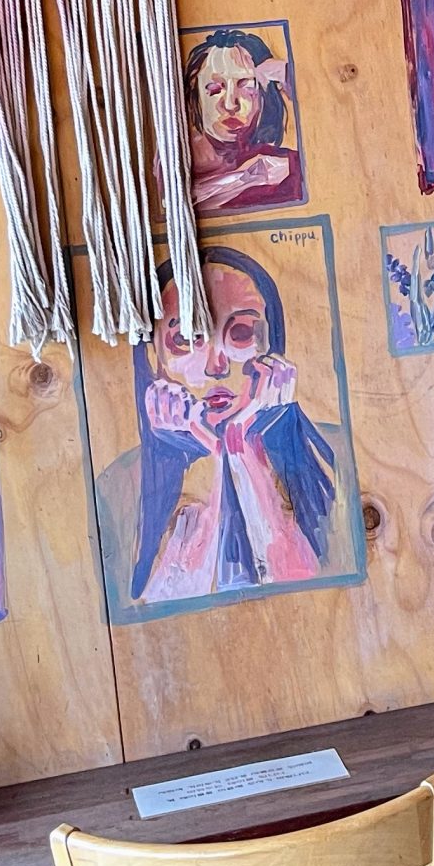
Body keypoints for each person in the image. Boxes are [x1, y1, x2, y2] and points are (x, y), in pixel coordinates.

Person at [96, 247, 351, 608]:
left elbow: (321, 592)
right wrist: (215, 458)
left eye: (242, 333)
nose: (216, 366)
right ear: (155, 360)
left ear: (272, 349)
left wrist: (241, 453)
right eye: (185, 340)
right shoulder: (118, 486)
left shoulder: (337, 456)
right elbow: (156, 612)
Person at [183, 29, 304, 213]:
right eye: (215, 89)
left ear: (264, 95)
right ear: (194, 93)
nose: (230, 104)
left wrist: (288, 75)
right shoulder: (172, 167)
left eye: (247, 86)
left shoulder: (284, 168)